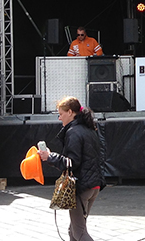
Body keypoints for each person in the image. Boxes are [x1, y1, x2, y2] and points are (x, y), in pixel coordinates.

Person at [39, 97, 105, 241]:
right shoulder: (89, 129)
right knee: (74, 231)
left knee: (79, 233)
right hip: (94, 185)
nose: (59, 118)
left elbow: (71, 163)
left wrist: (49, 157)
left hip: (81, 187)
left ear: (70, 112)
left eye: (61, 114)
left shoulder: (74, 132)